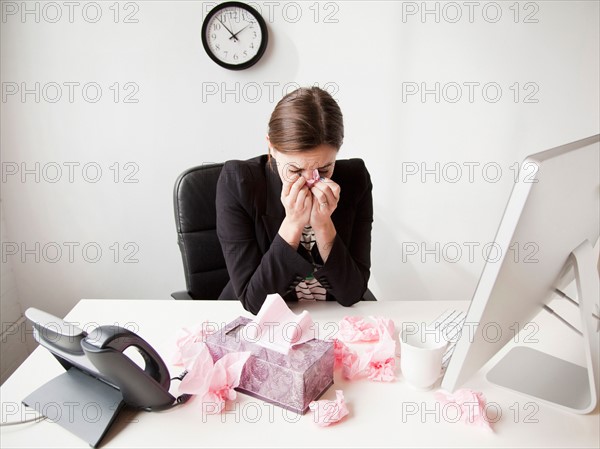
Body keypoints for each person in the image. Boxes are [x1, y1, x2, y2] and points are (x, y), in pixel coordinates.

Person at [216, 86, 373, 315]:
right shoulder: (238, 182)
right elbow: (255, 302)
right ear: (272, 147)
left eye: (324, 168)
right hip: (261, 323)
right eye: (296, 170)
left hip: (333, 317)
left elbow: (352, 293)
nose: (311, 181)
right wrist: (292, 224)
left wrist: (323, 225)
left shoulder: (355, 179)